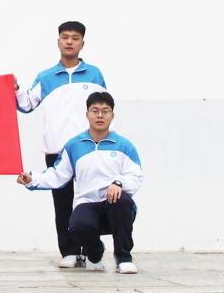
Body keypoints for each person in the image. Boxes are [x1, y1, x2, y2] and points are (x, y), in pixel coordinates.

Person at [15, 21, 107, 268]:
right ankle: (69, 251)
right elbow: (26, 104)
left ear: (82, 43)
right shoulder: (45, 77)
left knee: (90, 201)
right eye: (65, 37)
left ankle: (92, 252)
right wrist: (15, 89)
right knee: (62, 203)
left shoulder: (94, 74)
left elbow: (103, 108)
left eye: (75, 38)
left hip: (88, 147)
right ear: (58, 42)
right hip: (56, 149)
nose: (69, 42)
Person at [17, 91, 142, 274]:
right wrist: (32, 179)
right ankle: (95, 252)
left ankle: (123, 258)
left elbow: (136, 176)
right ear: (87, 114)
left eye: (105, 111)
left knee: (122, 201)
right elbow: (57, 175)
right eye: (95, 111)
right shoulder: (74, 145)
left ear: (112, 115)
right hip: (87, 203)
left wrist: (118, 183)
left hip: (115, 205)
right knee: (76, 226)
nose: (100, 115)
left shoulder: (124, 145)